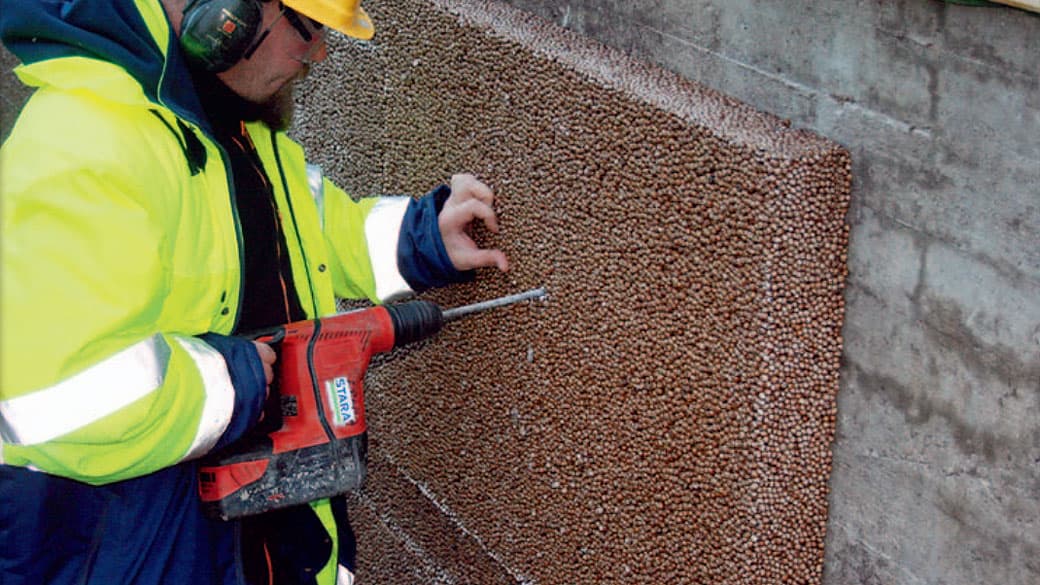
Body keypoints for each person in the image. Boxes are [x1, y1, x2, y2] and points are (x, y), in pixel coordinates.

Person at [0, 0, 509, 583]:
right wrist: (233, 381)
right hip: (141, 548)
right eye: (309, 26)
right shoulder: (80, 149)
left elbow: (304, 237)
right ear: (229, 15)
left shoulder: (229, 123)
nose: (317, 52)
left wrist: (421, 237)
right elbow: (52, 397)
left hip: (247, 536)